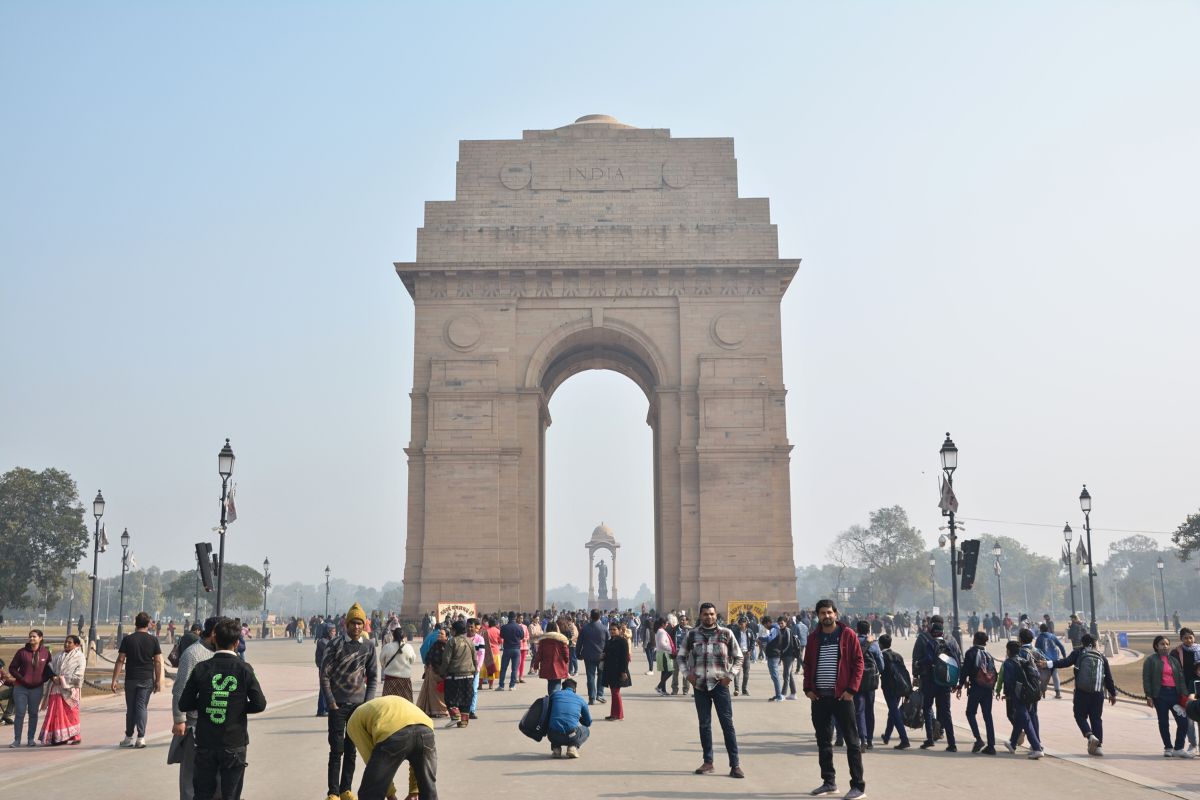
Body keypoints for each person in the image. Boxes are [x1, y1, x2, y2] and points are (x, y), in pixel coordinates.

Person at [177, 617, 268, 800]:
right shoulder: (244, 669)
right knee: (231, 795)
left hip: (205, 742)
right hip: (233, 743)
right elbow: (259, 704)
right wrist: (236, 706)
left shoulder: (202, 668)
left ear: (214, 639)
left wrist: (207, 704)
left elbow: (184, 703)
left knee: (202, 793)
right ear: (236, 643)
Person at [803, 599, 865, 799]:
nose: (826, 616)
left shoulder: (847, 635)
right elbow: (808, 665)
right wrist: (808, 689)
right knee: (823, 742)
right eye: (822, 613)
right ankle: (829, 782)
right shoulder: (814, 638)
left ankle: (857, 786)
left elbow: (858, 663)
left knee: (852, 742)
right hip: (820, 697)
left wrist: (851, 690)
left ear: (836, 614)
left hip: (842, 697)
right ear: (817, 615)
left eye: (829, 612)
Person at [321, 602, 380, 800]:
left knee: (351, 749)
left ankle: (346, 789)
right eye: (353, 623)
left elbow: (373, 676)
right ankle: (333, 792)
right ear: (346, 624)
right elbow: (325, 675)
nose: (356, 627)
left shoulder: (369, 647)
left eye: (360, 623)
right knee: (336, 750)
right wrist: (330, 701)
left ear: (364, 625)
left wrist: (367, 702)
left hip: (358, 706)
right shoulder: (335, 645)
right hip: (338, 704)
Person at [682, 602, 744, 778]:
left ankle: (735, 765)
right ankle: (708, 762)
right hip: (700, 686)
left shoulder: (726, 634)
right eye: (705, 614)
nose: (708, 617)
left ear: (716, 615)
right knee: (704, 725)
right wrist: (688, 674)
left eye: (711, 614)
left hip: (720, 685)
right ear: (700, 616)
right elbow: (680, 656)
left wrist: (730, 676)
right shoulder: (692, 635)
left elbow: (739, 657)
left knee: (727, 725)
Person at [347, 695, 438, 800]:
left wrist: (391, 795)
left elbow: (369, 756)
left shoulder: (353, 721)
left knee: (370, 792)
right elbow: (419, 762)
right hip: (426, 729)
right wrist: (414, 791)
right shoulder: (377, 706)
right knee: (428, 790)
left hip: (395, 734)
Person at [172, 616, 219, 800]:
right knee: (190, 773)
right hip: (193, 722)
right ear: (213, 633)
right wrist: (179, 719)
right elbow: (180, 688)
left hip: (213, 723)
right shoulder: (193, 654)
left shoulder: (220, 652)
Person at [1052, 632, 1117, 756]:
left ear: (1082, 643)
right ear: (1094, 643)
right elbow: (1108, 677)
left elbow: (1065, 662)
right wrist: (1112, 694)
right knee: (1096, 718)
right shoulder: (1101, 657)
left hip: (1081, 692)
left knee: (1079, 715)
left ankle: (1090, 735)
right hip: (1098, 693)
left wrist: (1049, 663)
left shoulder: (1078, 653)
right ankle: (1098, 747)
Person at [111, 611, 163, 748]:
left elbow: (120, 659)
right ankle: (141, 737)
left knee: (131, 708)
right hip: (146, 678)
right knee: (141, 707)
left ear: (136, 623)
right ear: (147, 624)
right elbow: (157, 662)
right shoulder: (153, 640)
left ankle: (128, 737)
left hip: (131, 678)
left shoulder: (128, 639)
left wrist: (114, 679)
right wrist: (158, 680)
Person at [1142, 634, 1195, 758]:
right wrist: (1148, 696)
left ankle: (1178, 748)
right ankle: (1168, 747)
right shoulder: (1151, 660)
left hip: (1175, 695)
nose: (1165, 646)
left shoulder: (1173, 660)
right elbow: (1146, 679)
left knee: (1183, 722)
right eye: (1162, 644)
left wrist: (1185, 695)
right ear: (1156, 646)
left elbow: (1180, 679)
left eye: (1167, 644)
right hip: (1160, 695)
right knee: (1164, 722)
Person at [913, 617, 960, 752]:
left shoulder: (927, 641)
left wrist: (917, 666)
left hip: (929, 681)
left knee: (927, 708)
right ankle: (952, 743)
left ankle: (930, 738)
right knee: (946, 711)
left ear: (931, 630)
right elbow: (957, 660)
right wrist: (956, 681)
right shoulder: (950, 642)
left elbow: (926, 658)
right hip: (945, 682)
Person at [8, 629, 53, 748]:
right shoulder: (21, 652)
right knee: (20, 713)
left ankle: (30, 739)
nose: (31, 639)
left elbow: (49, 670)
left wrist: (42, 680)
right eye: (30, 637)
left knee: (33, 714)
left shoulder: (46, 653)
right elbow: (12, 668)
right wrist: (22, 679)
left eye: (34, 637)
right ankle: (17, 740)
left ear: (40, 638)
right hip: (20, 688)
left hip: (37, 689)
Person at [37, 634, 85, 746]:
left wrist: (62, 680)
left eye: (69, 642)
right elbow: (49, 667)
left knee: (71, 714)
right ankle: (58, 737)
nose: (66, 644)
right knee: (55, 713)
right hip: (55, 689)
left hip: (70, 690)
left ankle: (75, 736)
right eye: (66, 642)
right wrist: (54, 677)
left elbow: (79, 675)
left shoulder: (80, 657)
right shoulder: (58, 656)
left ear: (76, 645)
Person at [1000, 640, 1043, 758]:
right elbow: (1037, 675)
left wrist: (1008, 694)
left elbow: (1008, 681)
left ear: (1008, 651)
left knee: (1025, 719)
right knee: (1020, 718)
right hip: (1029, 694)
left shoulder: (1008, 663)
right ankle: (1012, 743)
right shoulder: (1024, 661)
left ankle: (1037, 747)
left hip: (1018, 695)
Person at [956, 630, 997, 754]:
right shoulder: (988, 655)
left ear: (975, 640)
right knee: (987, 716)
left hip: (976, 688)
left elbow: (965, 670)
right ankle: (991, 745)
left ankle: (978, 738)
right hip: (988, 689)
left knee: (970, 713)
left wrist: (960, 685)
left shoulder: (971, 653)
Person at [440, 619, 476, 728]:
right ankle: (463, 721)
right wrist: (475, 671)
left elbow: (446, 659)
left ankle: (455, 715)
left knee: (450, 698)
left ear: (455, 631)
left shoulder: (452, 641)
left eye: (452, 629)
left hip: (454, 675)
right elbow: (475, 659)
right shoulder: (470, 641)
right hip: (469, 674)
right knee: (466, 698)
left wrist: (442, 672)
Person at [877, 634, 911, 749]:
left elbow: (879, 670)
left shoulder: (882, 656)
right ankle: (886, 736)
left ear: (880, 644)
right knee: (892, 711)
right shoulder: (898, 656)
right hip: (900, 687)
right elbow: (905, 673)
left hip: (889, 688)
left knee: (894, 712)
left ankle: (904, 739)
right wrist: (908, 691)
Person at [853, 619, 883, 750]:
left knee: (859, 710)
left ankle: (862, 738)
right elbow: (881, 664)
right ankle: (870, 740)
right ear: (868, 630)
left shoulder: (852, 641)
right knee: (869, 710)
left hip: (857, 679)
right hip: (871, 679)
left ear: (857, 629)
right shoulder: (874, 644)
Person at [546, 678, 592, 758]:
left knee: (554, 723)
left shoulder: (554, 695)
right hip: (571, 735)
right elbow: (588, 722)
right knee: (586, 730)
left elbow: (547, 713)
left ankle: (556, 748)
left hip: (552, 735)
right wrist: (579, 718)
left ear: (562, 688)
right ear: (575, 689)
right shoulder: (580, 699)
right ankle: (573, 747)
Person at [577, 608, 610, 704]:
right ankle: (599, 694)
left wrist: (578, 654)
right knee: (601, 675)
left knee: (590, 677)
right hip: (601, 657)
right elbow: (608, 643)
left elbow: (579, 642)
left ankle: (592, 697)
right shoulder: (604, 628)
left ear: (590, 616)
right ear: (600, 616)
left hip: (588, 656)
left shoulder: (585, 628)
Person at [415, 627, 449, 718]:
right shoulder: (435, 645)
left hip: (442, 674)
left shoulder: (448, 646)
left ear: (447, 636)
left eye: (442, 634)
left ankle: (442, 710)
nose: (439, 635)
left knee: (440, 693)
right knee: (431, 694)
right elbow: (428, 657)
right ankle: (432, 711)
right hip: (432, 673)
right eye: (439, 634)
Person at [602, 620, 632, 721]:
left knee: (615, 692)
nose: (612, 631)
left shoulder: (622, 641)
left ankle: (618, 715)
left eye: (614, 629)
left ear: (619, 630)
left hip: (618, 671)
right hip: (610, 670)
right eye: (610, 629)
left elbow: (625, 658)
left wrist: (623, 672)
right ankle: (614, 714)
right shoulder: (610, 641)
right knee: (613, 692)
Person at [532, 621, 570, 694]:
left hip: (547, 666)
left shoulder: (543, 641)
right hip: (559, 665)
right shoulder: (561, 640)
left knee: (550, 683)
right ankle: (554, 700)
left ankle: (551, 699)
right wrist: (566, 662)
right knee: (557, 683)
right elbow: (566, 654)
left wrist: (536, 665)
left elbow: (539, 654)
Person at [380, 628, 418, 701]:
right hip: (405, 681)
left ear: (393, 636)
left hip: (390, 680)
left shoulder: (387, 647)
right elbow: (412, 661)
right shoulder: (408, 647)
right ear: (404, 636)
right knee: (406, 705)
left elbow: (382, 661)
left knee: (389, 704)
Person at [1035, 623, 1067, 698]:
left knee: (1044, 676)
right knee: (1055, 675)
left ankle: (1041, 691)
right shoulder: (1052, 636)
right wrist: (1064, 655)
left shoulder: (1039, 637)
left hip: (1044, 660)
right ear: (1048, 629)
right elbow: (1061, 646)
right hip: (1054, 659)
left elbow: (1037, 650)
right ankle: (1058, 692)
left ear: (1040, 629)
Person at [498, 611, 524, 691]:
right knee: (514, 669)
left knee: (503, 668)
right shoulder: (519, 627)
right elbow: (522, 637)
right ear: (515, 617)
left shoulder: (504, 627)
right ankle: (512, 686)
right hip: (516, 649)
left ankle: (501, 685)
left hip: (507, 649)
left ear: (508, 617)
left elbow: (501, 636)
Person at [654, 617, 675, 695]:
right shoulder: (662, 632)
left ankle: (663, 690)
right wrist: (670, 649)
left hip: (661, 653)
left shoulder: (658, 631)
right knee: (670, 671)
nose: (667, 625)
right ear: (663, 624)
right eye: (666, 623)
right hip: (664, 653)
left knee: (664, 672)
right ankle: (659, 687)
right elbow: (662, 643)